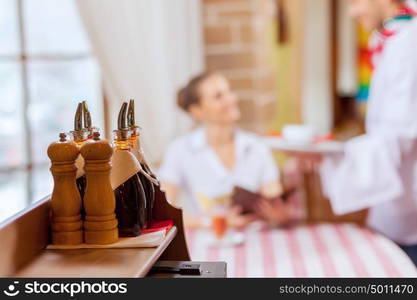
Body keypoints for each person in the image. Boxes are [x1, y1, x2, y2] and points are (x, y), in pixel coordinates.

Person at [299, 0, 417, 265]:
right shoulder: (395, 40)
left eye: (355, 1)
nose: (352, 12)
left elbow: (401, 136)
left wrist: (330, 157)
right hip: (397, 208)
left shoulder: (408, 46)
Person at [158, 72, 289, 228]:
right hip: (209, 244)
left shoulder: (257, 147)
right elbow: (163, 213)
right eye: (218, 96)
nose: (231, 100)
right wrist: (215, 222)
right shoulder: (180, 150)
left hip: (257, 241)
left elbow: (277, 201)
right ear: (197, 111)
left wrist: (279, 215)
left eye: (229, 92)